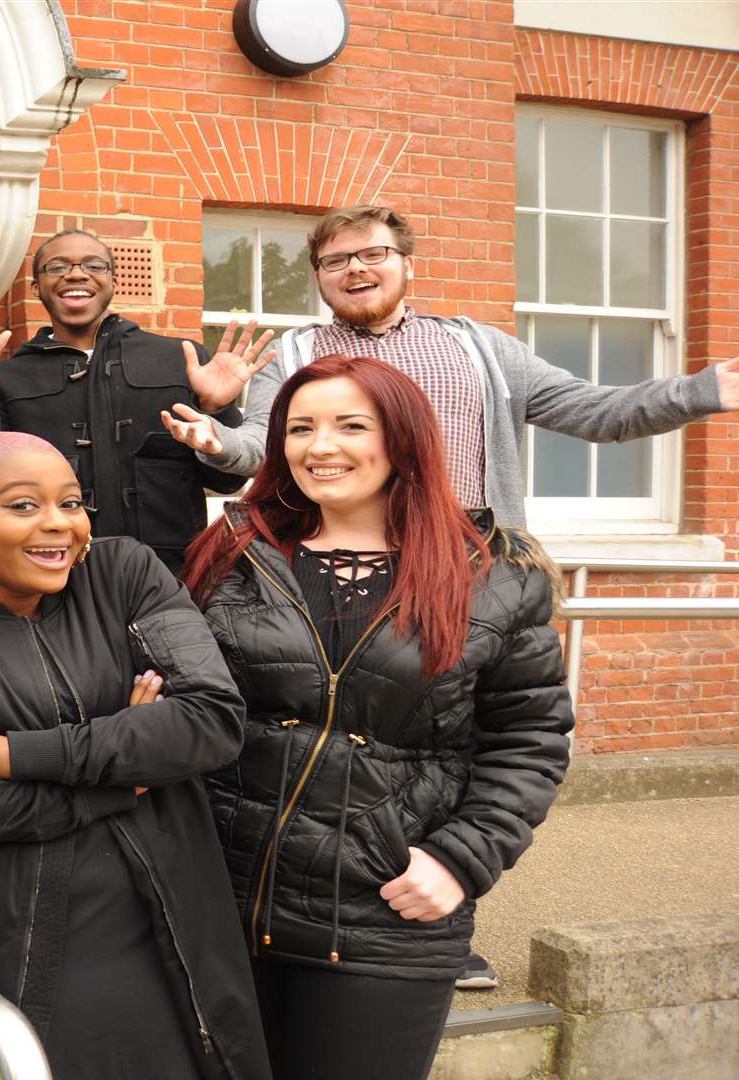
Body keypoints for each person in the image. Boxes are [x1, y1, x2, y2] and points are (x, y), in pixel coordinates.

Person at [180, 355, 572, 1079]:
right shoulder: (234, 553)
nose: (319, 447)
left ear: (403, 438)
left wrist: (462, 858)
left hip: (381, 916)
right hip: (221, 902)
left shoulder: (493, 574)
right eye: (300, 428)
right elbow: (185, 703)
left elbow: (531, 740)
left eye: (349, 425)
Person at [0, 431, 270, 1080]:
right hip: (4, 937)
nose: (58, 524)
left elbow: (211, 722)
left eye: (71, 503)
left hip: (166, 916)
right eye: (23, 506)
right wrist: (120, 776)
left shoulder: (123, 572)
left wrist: (15, 754)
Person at [164, 203, 739, 529]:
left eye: (374, 254)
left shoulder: (480, 349)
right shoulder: (293, 354)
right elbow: (261, 449)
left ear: (407, 266)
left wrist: (702, 389)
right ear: (318, 276)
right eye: (334, 260)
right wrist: (212, 436)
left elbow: (597, 413)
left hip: (472, 556)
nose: (355, 269)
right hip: (338, 562)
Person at [0, 228, 270, 573]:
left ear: (113, 281)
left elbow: (225, 484)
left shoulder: (181, 360)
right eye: (58, 267)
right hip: (53, 574)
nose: (76, 274)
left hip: (171, 577)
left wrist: (216, 409)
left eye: (94, 266)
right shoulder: (8, 378)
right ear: (37, 287)